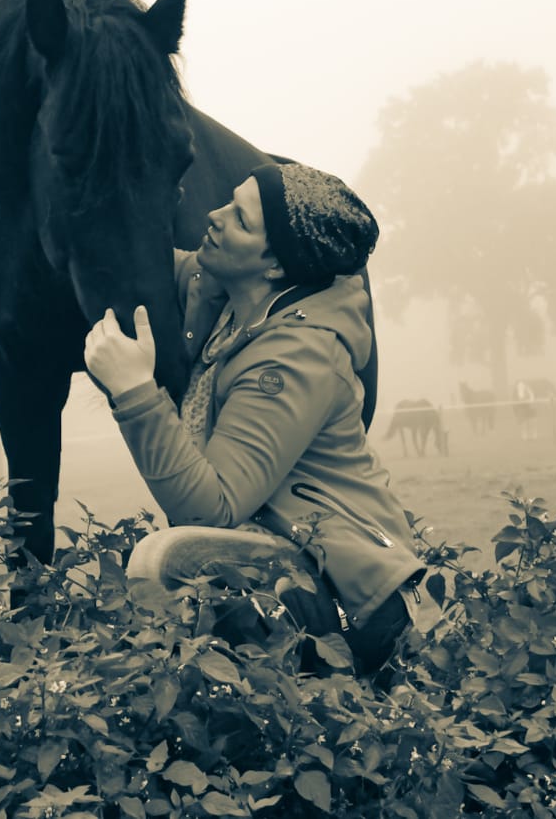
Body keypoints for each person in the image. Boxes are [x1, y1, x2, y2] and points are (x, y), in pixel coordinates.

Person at [83, 162, 427, 676]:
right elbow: (135, 255)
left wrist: (134, 392)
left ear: (273, 267)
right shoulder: (226, 295)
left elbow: (211, 509)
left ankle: (308, 700)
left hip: (352, 597)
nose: (215, 215)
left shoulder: (297, 357)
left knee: (165, 564)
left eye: (240, 220)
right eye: (230, 200)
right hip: (279, 552)